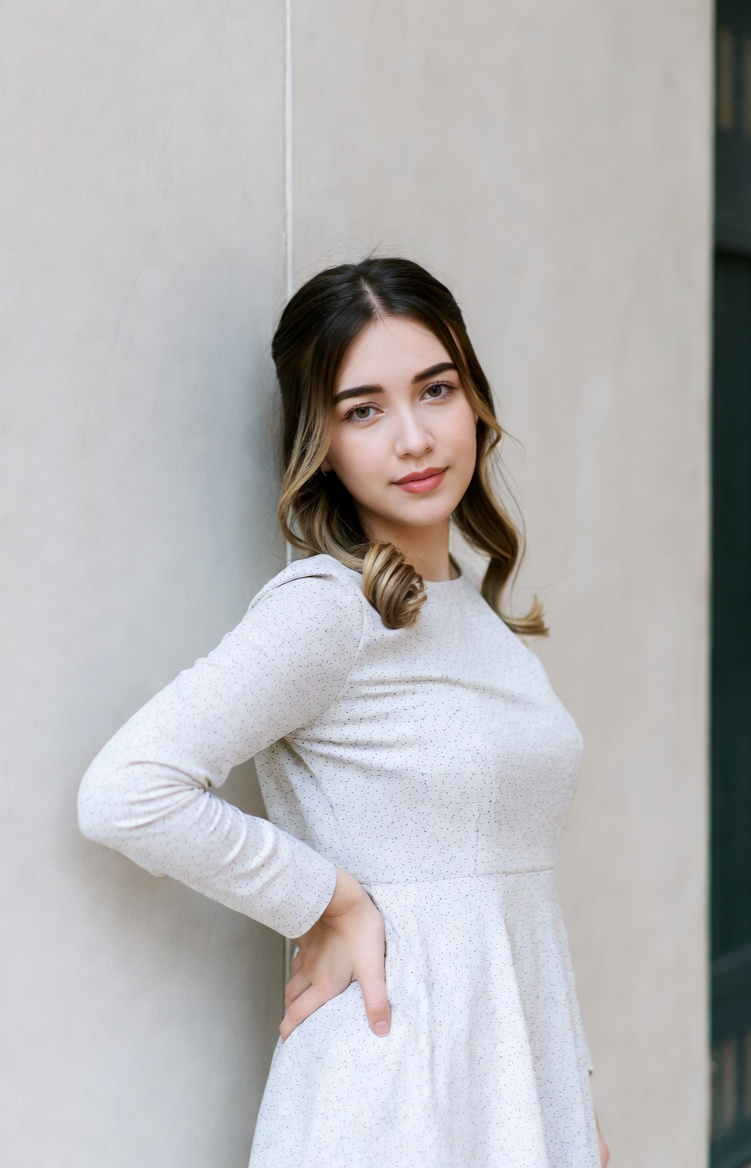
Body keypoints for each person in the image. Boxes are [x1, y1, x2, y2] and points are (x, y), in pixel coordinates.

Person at [77, 256, 610, 1167]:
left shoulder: (468, 607)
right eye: (364, 409)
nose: (414, 437)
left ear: (475, 400)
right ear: (319, 441)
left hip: (512, 1086)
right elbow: (127, 791)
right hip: (395, 1086)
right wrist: (330, 902)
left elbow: (509, 906)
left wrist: (569, 1114)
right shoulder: (329, 610)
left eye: (434, 390)